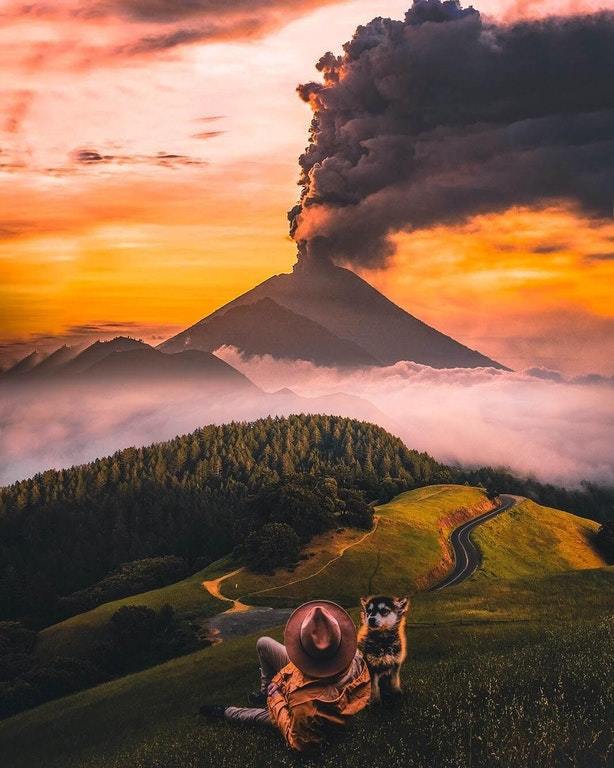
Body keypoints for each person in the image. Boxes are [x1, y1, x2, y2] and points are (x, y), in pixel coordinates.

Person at [200, 600, 371, 751]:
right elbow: (302, 669)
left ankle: (227, 712)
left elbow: (298, 741)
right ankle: (263, 693)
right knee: (264, 643)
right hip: (320, 687)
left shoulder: (302, 703)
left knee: (260, 716)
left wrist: (275, 698)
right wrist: (279, 680)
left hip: (309, 707)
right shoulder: (353, 655)